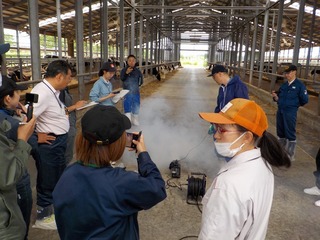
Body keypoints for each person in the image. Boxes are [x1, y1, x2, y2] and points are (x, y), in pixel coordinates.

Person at [52, 105, 166, 240]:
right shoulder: (121, 182)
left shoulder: (67, 174)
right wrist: (143, 154)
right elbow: (157, 188)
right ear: (115, 144)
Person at [198, 98, 291, 239]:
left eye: (222, 130)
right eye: (215, 128)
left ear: (247, 137)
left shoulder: (228, 186)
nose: (216, 135)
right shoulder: (263, 164)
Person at [27, 60, 72, 230]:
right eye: (68, 77)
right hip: (49, 145)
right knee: (47, 180)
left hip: (57, 142)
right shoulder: (42, 92)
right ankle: (42, 217)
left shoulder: (51, 90)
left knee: (56, 177)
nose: (69, 81)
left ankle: (53, 209)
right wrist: (36, 137)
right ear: (59, 76)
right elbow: (26, 118)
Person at [0, 75, 36, 239]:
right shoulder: (11, 124)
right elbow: (10, 176)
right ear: (8, 98)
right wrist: (23, 138)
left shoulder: (7, 116)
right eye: (17, 93)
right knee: (22, 211)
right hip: (14, 185)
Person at [271, 64, 309, 161]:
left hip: (290, 112)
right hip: (280, 111)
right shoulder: (284, 85)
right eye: (285, 73)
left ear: (294, 72)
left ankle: (290, 155)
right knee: (280, 132)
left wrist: (294, 105)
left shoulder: (300, 86)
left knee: (290, 132)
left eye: (288, 73)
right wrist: (275, 97)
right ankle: (281, 152)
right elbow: (278, 98)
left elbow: (304, 100)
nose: (286, 75)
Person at [59, 87, 87, 164]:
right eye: (69, 77)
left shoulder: (64, 89)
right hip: (65, 128)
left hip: (70, 125)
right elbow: (59, 112)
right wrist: (75, 106)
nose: (70, 79)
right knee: (65, 156)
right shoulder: (56, 92)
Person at [120, 54, 143, 126]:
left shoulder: (138, 71)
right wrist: (126, 73)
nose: (131, 62)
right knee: (127, 105)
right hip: (127, 92)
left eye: (133, 61)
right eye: (130, 60)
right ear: (127, 61)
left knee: (136, 105)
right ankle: (128, 120)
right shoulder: (124, 70)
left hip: (135, 91)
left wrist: (138, 85)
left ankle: (135, 119)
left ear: (135, 62)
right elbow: (122, 78)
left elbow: (141, 81)